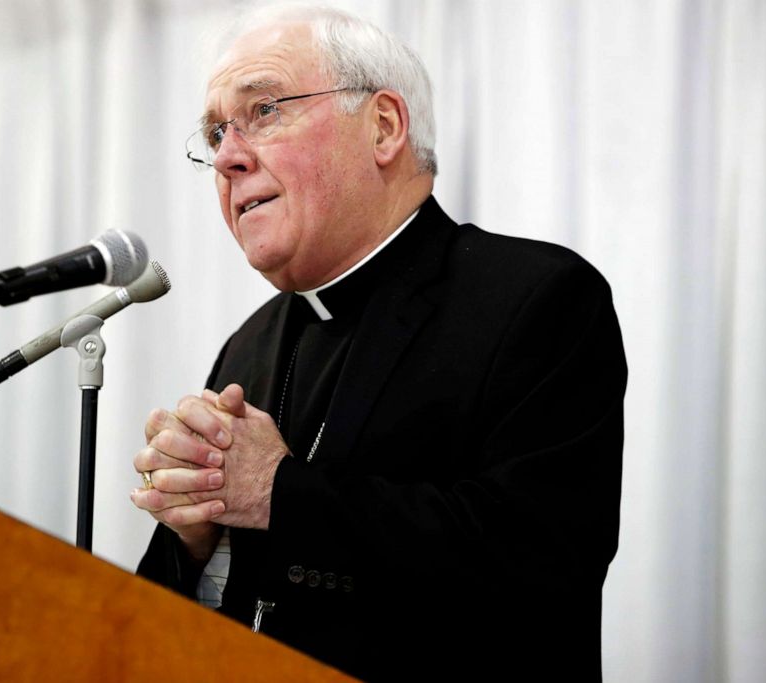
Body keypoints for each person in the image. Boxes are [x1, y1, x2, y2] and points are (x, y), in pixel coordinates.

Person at [132, 4, 626, 681]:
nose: (226, 156)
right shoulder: (246, 346)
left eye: (265, 110)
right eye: (216, 132)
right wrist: (194, 538)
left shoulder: (535, 299)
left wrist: (279, 491)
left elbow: (540, 562)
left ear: (384, 127)